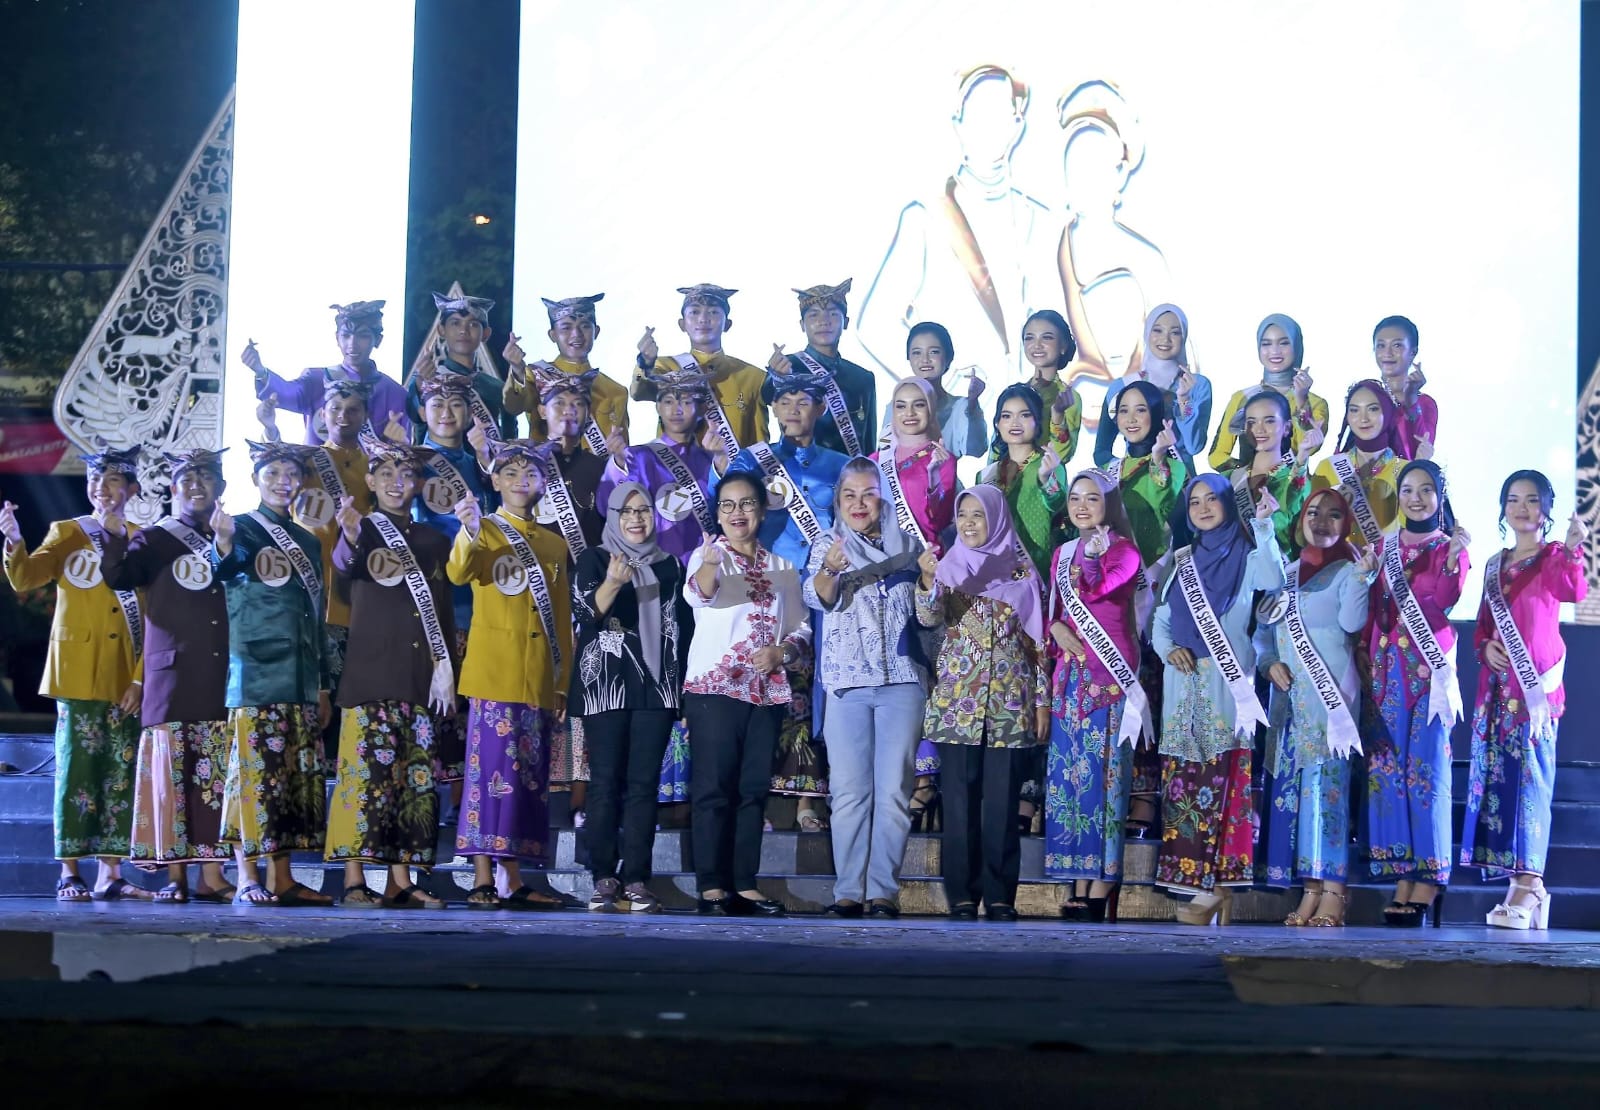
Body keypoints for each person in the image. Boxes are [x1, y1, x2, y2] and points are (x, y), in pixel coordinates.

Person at [2, 449, 146, 901]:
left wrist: (141, 677)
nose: (101, 489)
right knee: (76, 771)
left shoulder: (145, 541)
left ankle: (110, 873)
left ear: (132, 489)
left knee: (120, 773)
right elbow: (26, 578)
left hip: (126, 674)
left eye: (112, 481)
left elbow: (156, 616)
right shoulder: (68, 532)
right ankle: (69, 871)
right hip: (78, 671)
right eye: (95, 480)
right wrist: (14, 541)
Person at [857, 65, 1056, 387]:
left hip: (1020, 405)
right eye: (977, 115)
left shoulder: (1037, 219)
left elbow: (1054, 326)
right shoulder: (925, 218)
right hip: (950, 409)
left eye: (999, 115)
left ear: (1017, 125)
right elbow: (875, 323)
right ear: (958, 123)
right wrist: (936, 386)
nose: (987, 126)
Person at [324, 444, 455, 909]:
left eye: (406, 474)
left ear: (418, 483)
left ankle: (402, 879)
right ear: (371, 482)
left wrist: (445, 665)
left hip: (419, 675)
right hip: (371, 675)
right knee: (364, 781)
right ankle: (354, 880)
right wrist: (348, 533)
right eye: (386, 474)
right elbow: (343, 570)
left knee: (413, 782)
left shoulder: (433, 540)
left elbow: (441, 608)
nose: (397, 482)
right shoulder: (360, 530)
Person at [101, 448, 234, 902]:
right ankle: (175, 876)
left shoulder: (232, 534)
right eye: (186, 478)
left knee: (216, 776)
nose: (196, 485)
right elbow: (119, 576)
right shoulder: (155, 538)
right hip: (170, 674)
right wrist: (114, 534)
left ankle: (213, 876)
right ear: (172, 488)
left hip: (220, 668)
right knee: (171, 776)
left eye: (206, 477)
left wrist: (226, 542)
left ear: (221, 487)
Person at [446, 441, 574, 910]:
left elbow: (562, 620)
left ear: (544, 483)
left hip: (538, 677)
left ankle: (512, 878)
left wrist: (561, 683)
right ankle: (482, 877)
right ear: (495, 480)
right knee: (490, 778)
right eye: (512, 472)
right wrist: (467, 529)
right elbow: (458, 573)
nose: (522, 480)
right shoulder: (483, 530)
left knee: (527, 782)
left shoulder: (554, 543)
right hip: (494, 673)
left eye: (531, 473)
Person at [1152, 474, 1284, 923]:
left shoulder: (1247, 554)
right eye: (1195, 502)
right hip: (1181, 686)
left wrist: (1263, 526)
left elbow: (1273, 578)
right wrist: (1168, 649)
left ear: (1228, 504)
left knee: (1222, 785)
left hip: (1226, 686)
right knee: (1184, 786)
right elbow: (1162, 619)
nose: (1204, 508)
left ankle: (1217, 887)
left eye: (1212, 499)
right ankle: (1195, 883)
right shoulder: (1183, 560)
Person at [1462, 470, 1589, 929]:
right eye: (1513, 499)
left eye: (1532, 500)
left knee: (1532, 786)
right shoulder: (1494, 565)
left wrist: (1573, 549)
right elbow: (1482, 626)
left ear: (1546, 510)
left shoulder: (1553, 557)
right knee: (1501, 786)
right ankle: (1520, 883)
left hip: (1534, 694)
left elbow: (1573, 590)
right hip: (1496, 693)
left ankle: (1530, 885)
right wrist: (1484, 648)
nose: (1521, 508)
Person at [682, 471, 811, 916]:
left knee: (753, 790)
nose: (737, 513)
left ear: (762, 510)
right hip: (715, 690)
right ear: (718, 514)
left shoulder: (783, 567)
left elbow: (801, 627)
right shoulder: (707, 556)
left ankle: (744, 881)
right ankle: (711, 884)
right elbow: (699, 595)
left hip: (766, 692)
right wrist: (710, 564)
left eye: (747, 503)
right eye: (728, 505)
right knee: (714, 788)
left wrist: (782, 651)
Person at [917, 486, 1049, 921]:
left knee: (1002, 805)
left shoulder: (1022, 572)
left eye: (979, 514)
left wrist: (1042, 702)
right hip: (958, 706)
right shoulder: (947, 567)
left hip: (1010, 706)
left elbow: (1038, 644)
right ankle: (961, 894)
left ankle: (999, 895)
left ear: (997, 517)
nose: (970, 522)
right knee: (958, 804)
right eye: (964, 514)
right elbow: (928, 618)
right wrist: (927, 581)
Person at [806, 458, 930, 918]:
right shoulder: (828, 544)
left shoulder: (910, 546)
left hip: (902, 680)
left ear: (884, 499)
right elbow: (817, 596)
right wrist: (830, 570)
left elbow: (930, 613)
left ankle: (882, 892)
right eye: (849, 495)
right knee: (849, 791)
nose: (859, 504)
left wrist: (929, 580)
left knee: (894, 789)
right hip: (847, 682)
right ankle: (847, 892)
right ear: (838, 501)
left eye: (868, 494)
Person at [213, 441, 334, 906]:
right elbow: (225, 566)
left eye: (290, 474)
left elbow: (316, 615)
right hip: (256, 673)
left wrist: (322, 683)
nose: (283, 482)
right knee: (253, 778)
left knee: (289, 781)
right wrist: (223, 542)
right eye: (273, 474)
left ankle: (282, 877)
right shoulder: (240, 528)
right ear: (255, 480)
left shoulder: (308, 540)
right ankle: (248, 875)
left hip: (300, 674)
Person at [732, 367, 849, 818]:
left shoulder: (840, 465)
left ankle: (807, 799)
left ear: (820, 409)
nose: (793, 410)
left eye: (803, 402)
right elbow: (727, 504)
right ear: (774, 409)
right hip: (768, 590)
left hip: (819, 591)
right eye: (784, 402)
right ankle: (756, 798)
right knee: (764, 683)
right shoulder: (753, 460)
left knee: (813, 688)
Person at [572, 483, 694, 914]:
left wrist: (682, 692)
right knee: (605, 783)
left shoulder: (670, 566)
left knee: (644, 786)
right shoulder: (594, 558)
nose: (636, 518)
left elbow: (682, 629)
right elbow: (585, 615)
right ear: (613, 516)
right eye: (627, 511)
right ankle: (603, 875)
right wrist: (612, 582)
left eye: (643, 510)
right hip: (606, 685)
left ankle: (638, 877)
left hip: (656, 687)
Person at [1257, 490, 1375, 928]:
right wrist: (1269, 663)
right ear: (1300, 520)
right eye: (1313, 513)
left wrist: (1361, 579)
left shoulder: (1348, 571)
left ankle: (1334, 891)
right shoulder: (1286, 573)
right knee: (1298, 795)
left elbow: (1351, 624)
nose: (1322, 521)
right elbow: (1263, 634)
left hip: (1331, 699)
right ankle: (1309, 889)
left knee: (1328, 793)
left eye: (1333, 514)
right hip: (1290, 703)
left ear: (1346, 525)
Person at [1044, 469, 1150, 921]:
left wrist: (1091, 558)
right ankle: (1077, 873)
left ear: (1109, 504)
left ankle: (1104, 877)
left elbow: (1097, 591)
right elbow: (1055, 609)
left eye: (1092, 498)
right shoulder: (1061, 552)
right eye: (1075, 498)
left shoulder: (1124, 551)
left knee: (1106, 777)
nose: (1082, 506)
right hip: (1070, 675)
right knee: (1070, 777)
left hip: (1108, 676)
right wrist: (1053, 628)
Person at [1366, 459, 1468, 926]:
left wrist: (1453, 559)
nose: (1416, 498)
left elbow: (1444, 600)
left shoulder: (1450, 546)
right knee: (1387, 774)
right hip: (1388, 672)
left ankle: (1429, 876)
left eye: (1426, 490)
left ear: (1440, 496)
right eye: (1408, 489)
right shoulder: (1383, 547)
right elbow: (1375, 610)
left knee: (1426, 772)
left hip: (1428, 673)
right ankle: (1401, 872)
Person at [261, 378, 378, 742]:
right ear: (321, 415)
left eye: (353, 410)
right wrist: (270, 428)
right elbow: (275, 470)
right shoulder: (305, 460)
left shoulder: (376, 466)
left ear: (365, 415)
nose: (343, 417)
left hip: (357, 596)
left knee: (353, 708)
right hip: (307, 596)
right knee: (308, 708)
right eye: (335, 409)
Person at [873, 376, 959, 829]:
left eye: (918, 405)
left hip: (923, 574)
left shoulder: (941, 459)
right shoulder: (873, 462)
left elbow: (940, 519)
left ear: (931, 411)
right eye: (901, 405)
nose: (909, 413)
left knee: (920, 673)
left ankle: (924, 779)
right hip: (877, 580)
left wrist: (935, 477)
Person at [414, 370, 496, 787]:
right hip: (429, 598)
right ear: (422, 412)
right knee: (433, 706)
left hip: (479, 599)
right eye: (437, 405)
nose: (447, 413)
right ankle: (432, 804)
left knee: (473, 704)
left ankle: (469, 805)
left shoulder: (485, 462)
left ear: (469, 412)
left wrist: (485, 459)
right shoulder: (410, 462)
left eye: (456, 404)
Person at [598, 364, 726, 562]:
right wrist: (618, 463)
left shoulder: (711, 459)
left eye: (686, 402)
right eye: (668, 401)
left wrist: (720, 460)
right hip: (658, 566)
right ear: (658, 407)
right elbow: (606, 506)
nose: (676, 410)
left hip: (707, 565)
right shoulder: (638, 457)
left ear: (702, 409)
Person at [243, 299, 410, 445]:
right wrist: (260, 371)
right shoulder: (316, 380)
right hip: (316, 469)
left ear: (378, 340)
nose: (352, 344)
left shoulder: (395, 394)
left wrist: (401, 445)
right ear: (337, 338)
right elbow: (285, 393)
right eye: (346, 335)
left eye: (362, 336)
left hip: (368, 472)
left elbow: (403, 453)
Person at [633, 284, 769, 450]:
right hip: (678, 466)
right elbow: (638, 392)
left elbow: (760, 443)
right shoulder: (664, 367)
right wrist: (644, 364)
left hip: (735, 466)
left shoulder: (754, 377)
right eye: (695, 312)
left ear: (727, 324)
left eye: (713, 312)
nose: (703, 319)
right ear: (682, 324)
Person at [766, 280, 876, 457]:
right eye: (813, 315)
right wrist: (776, 377)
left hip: (852, 470)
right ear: (802, 324)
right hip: (802, 469)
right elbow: (766, 396)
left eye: (832, 314)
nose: (823, 321)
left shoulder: (863, 377)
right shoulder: (787, 366)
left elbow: (869, 441)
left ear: (846, 322)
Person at [1092, 304, 1211, 466]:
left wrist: (1184, 401)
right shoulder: (1122, 386)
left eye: (1175, 332)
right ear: (1147, 332)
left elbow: (1194, 446)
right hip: (1135, 479)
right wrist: (1123, 471)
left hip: (1181, 478)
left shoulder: (1197, 385)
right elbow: (1101, 451)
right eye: (1157, 330)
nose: (1165, 339)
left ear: (1184, 336)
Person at [504, 293, 630, 444]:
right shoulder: (535, 376)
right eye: (566, 328)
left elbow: (623, 448)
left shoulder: (616, 391)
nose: (576, 334)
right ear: (552, 335)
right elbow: (513, 407)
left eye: (585, 326)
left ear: (596, 332)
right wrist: (517, 370)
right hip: (549, 459)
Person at [1207, 314, 1329, 470]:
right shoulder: (1242, 398)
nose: (1274, 351)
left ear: (1297, 346)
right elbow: (1217, 456)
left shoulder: (1316, 403)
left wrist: (1301, 400)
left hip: (1294, 483)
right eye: (1266, 344)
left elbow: (1310, 448)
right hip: (1248, 484)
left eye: (1284, 343)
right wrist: (1246, 474)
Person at [1215, 389, 1318, 556]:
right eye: (1252, 422)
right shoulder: (1226, 479)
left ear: (1286, 428)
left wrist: (1303, 455)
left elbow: (1290, 507)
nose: (1259, 429)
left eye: (1269, 421)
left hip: (1274, 568)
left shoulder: (1295, 481)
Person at [981, 383, 1069, 576]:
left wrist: (1045, 478)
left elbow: (1058, 505)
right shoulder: (986, 474)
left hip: (1035, 568)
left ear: (1037, 421)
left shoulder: (1050, 465)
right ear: (997, 424)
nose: (1014, 423)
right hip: (995, 570)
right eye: (1006, 416)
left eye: (1025, 415)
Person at [407, 290, 518, 443]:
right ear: (441, 330)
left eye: (473, 324)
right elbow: (414, 416)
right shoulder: (425, 379)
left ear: (485, 334)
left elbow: (509, 438)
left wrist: (518, 370)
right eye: (455, 323)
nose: (463, 331)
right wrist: (421, 387)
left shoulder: (497, 388)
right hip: (436, 458)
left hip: (486, 459)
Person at [1313, 379, 1406, 548]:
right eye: (1354, 410)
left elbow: (1411, 536)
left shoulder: (1405, 471)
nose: (1363, 419)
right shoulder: (1327, 467)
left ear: (1388, 412)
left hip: (1386, 562)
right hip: (1337, 562)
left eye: (1373, 409)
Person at [889, 322, 988, 472]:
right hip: (900, 484)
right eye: (917, 352)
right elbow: (884, 446)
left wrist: (973, 404)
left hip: (944, 483)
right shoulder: (897, 405)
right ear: (908, 357)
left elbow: (976, 450)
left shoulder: (960, 406)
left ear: (948, 357)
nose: (925, 359)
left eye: (934, 352)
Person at [1019, 309, 1083, 459]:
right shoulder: (1015, 393)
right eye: (1029, 338)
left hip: (1048, 473)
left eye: (1046, 337)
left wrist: (1058, 416)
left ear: (1063, 346)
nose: (1037, 345)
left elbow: (1063, 455)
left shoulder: (1068, 397)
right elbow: (997, 449)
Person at [1371, 315, 1436, 460]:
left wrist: (1411, 399)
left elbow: (1422, 452)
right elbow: (1342, 452)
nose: (1387, 353)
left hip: (1406, 475)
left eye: (1397, 345)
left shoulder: (1425, 403)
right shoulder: (1364, 397)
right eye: (1381, 345)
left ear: (1413, 352)